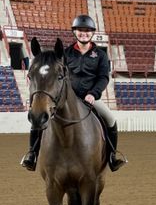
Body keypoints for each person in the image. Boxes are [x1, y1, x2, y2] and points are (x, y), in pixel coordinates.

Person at [21, 14, 127, 172]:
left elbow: (103, 78)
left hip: (90, 98)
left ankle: (112, 156)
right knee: (41, 117)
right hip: (67, 98)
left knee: (110, 119)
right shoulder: (65, 54)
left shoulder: (101, 55)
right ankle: (32, 154)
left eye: (87, 30)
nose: (83, 33)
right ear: (74, 32)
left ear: (92, 33)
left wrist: (93, 93)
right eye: (80, 30)